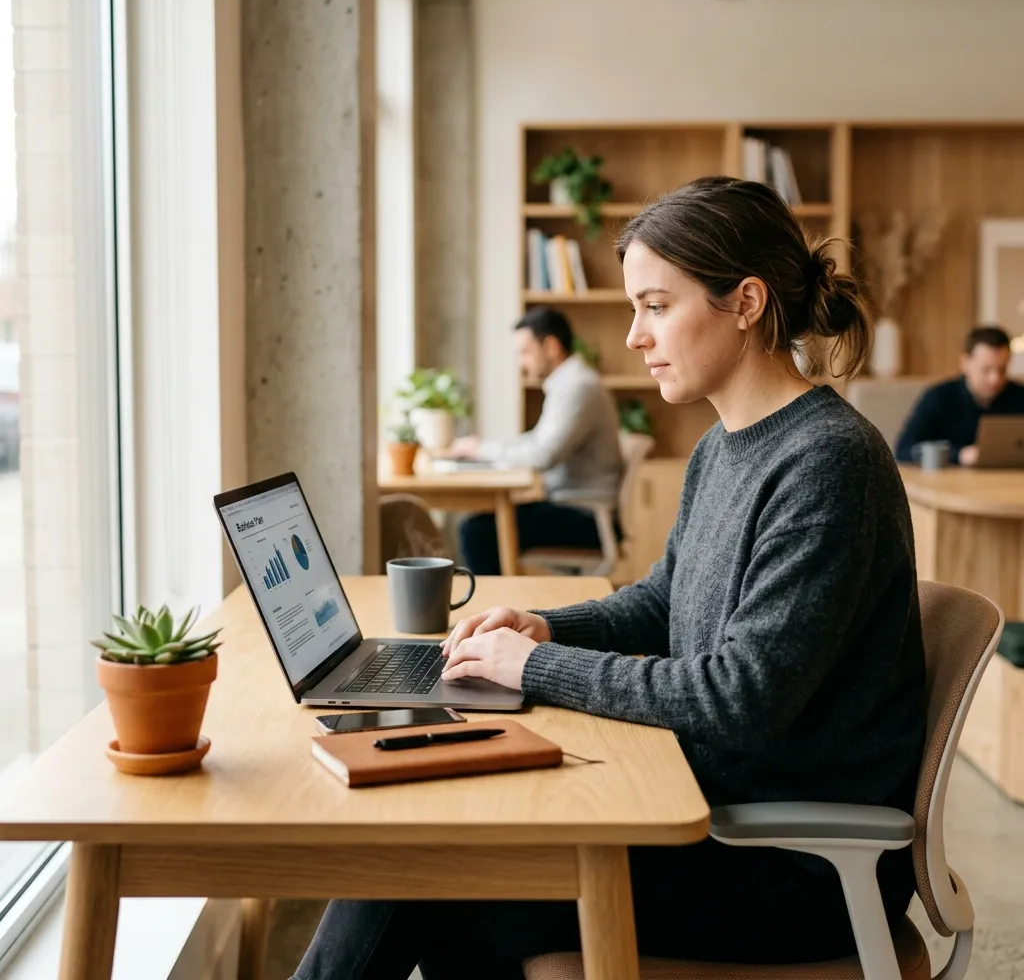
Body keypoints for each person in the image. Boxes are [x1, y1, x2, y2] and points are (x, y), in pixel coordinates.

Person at [291, 177, 926, 980]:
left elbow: (740, 698)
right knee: (437, 854)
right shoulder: (724, 447)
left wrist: (535, 670)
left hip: (786, 865)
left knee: (428, 866)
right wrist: (549, 628)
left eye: (656, 306)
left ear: (746, 302)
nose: (633, 336)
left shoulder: (829, 463)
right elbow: (663, 601)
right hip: (706, 809)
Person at [451, 306, 623, 575]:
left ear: (552, 347)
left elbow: (543, 454)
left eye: (525, 352)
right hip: (573, 507)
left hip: (587, 517)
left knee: (477, 531)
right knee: (486, 525)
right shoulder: (568, 383)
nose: (521, 363)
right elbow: (538, 441)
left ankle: (493, 611)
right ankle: (499, 606)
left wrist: (482, 449)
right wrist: (485, 449)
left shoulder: (578, 388)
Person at [895, 325, 1024, 465]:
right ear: (965, 363)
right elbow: (904, 449)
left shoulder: (1020, 396)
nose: (995, 379)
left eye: (1002, 370)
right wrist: (959, 455)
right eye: (986, 370)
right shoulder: (939, 397)